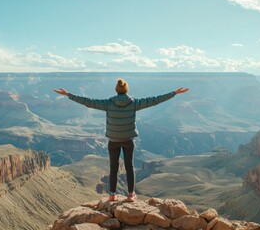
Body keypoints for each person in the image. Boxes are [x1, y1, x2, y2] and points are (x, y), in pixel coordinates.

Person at [54, 78, 189, 202]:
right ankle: (131, 195)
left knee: (113, 167)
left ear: (116, 90)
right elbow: (154, 100)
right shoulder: (134, 103)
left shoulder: (108, 103)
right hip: (128, 140)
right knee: (129, 166)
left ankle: (112, 194)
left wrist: (68, 95)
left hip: (113, 140)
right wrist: (174, 93)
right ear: (126, 90)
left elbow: (88, 102)